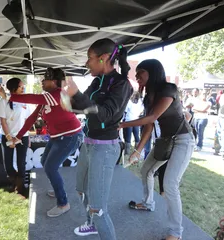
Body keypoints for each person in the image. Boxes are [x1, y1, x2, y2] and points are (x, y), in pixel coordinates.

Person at [64, 38, 132, 240]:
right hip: (88, 143)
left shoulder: (122, 84)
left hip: (105, 147)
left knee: (98, 208)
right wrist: (67, 98)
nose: (87, 63)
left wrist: (77, 96)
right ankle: (92, 225)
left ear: (103, 59)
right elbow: (82, 107)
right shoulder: (96, 82)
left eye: (89, 59)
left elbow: (105, 114)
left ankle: (97, 222)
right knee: (81, 190)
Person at [119, 59, 194, 240]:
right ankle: (147, 203)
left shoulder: (168, 89)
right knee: (146, 170)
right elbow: (149, 125)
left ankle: (176, 233)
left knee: (169, 183)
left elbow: (153, 116)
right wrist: (138, 150)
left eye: (140, 73)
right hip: (165, 140)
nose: (137, 77)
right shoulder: (148, 97)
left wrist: (121, 124)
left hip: (183, 140)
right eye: (136, 74)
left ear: (153, 72)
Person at [10, 67, 84, 217]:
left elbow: (32, 98)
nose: (42, 81)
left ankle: (63, 203)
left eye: (45, 78)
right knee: (45, 161)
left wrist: (9, 96)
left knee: (50, 167)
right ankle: (58, 189)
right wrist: (18, 136)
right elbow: (31, 118)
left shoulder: (58, 94)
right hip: (58, 136)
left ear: (55, 82)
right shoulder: (47, 98)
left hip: (71, 136)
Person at [0, 78, 31, 196]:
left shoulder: (25, 101)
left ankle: (21, 188)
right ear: (14, 88)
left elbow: (27, 121)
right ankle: (14, 182)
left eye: (23, 86)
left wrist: (27, 137)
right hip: (7, 136)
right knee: (8, 164)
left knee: (21, 163)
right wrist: (9, 138)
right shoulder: (3, 101)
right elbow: (3, 121)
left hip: (23, 137)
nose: (23, 88)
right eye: (21, 86)